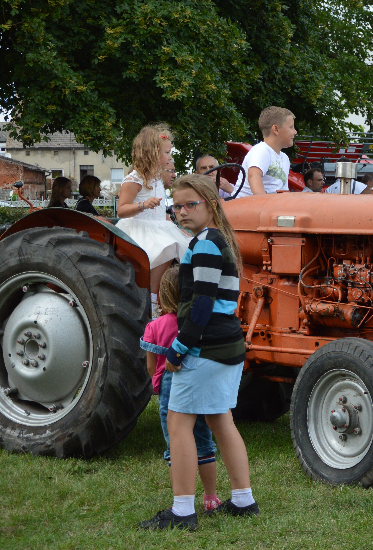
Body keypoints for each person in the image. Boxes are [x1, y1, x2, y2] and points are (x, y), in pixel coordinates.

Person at [139, 174, 257, 531]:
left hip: (206, 346)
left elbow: (201, 305)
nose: (182, 212)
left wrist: (177, 349)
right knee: (221, 421)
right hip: (227, 345)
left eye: (191, 204)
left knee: (178, 425)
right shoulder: (216, 240)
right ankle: (242, 500)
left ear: (211, 204)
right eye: (176, 206)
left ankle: (182, 512)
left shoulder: (205, 243)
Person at [139, 267, 222, 515]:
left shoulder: (155, 327)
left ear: (163, 295)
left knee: (175, 445)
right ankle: (211, 498)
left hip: (170, 388)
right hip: (199, 385)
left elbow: (152, 366)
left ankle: (181, 502)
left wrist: (156, 381)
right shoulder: (199, 324)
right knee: (204, 443)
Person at [115, 125, 191, 315]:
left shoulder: (157, 179)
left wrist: (173, 225)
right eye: (166, 152)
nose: (170, 157)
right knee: (167, 246)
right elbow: (121, 210)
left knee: (184, 244)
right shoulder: (135, 179)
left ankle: (165, 299)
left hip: (157, 226)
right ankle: (153, 300)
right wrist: (143, 205)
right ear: (152, 153)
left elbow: (159, 212)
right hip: (138, 228)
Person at [240, 106, 297, 197]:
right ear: (276, 129)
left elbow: (283, 190)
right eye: (291, 127)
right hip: (250, 208)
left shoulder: (284, 158)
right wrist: (265, 204)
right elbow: (254, 176)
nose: (295, 132)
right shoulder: (261, 150)